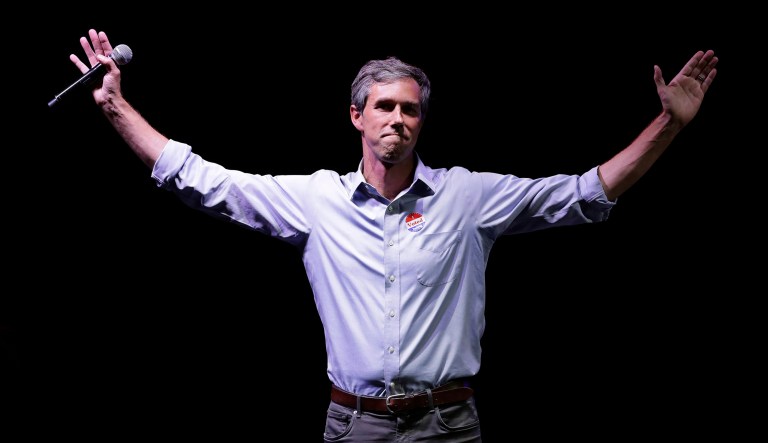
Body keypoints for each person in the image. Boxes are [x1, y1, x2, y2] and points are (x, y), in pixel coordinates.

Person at [66, 28, 717, 442]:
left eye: (410, 109)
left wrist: (669, 126)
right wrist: (116, 106)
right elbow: (203, 181)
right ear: (357, 116)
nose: (398, 119)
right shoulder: (317, 200)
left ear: (421, 122)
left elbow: (582, 194)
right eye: (384, 106)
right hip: (354, 424)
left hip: (447, 423)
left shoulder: (467, 197)